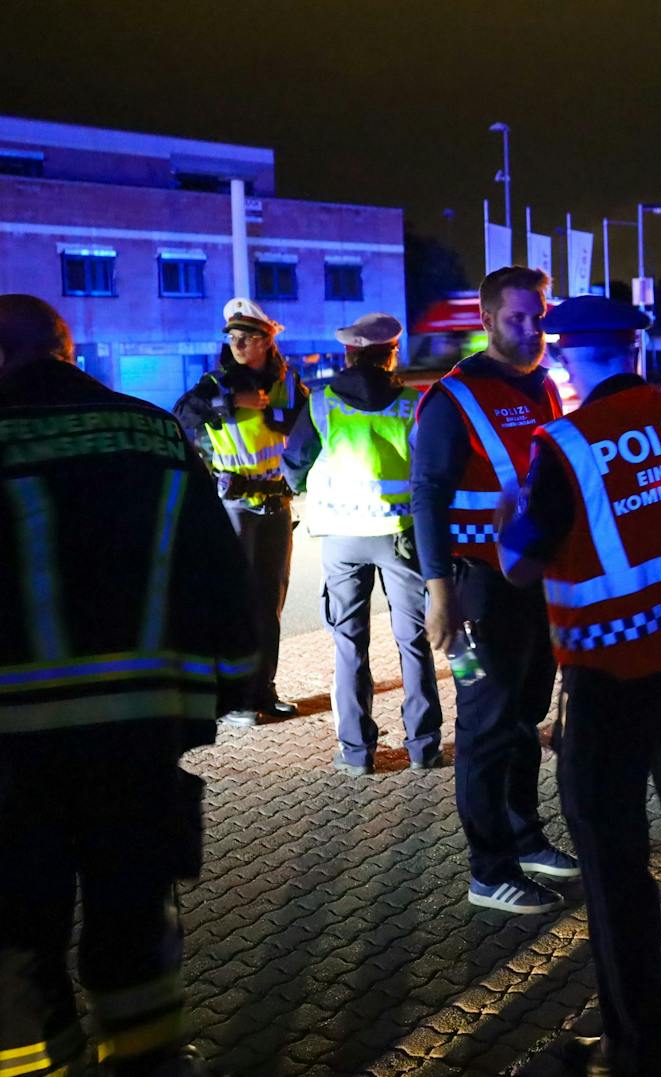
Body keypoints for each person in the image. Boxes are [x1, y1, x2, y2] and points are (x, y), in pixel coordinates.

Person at [0, 294, 258, 1077]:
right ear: (66, 347)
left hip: (9, 746)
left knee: (15, 933)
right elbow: (217, 568)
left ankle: (38, 1064)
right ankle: (150, 1063)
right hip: (139, 727)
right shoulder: (152, 431)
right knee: (133, 910)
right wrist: (231, 686)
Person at [498, 295, 661, 1077]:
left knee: (615, 863)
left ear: (569, 356)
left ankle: (639, 1046)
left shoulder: (568, 443)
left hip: (611, 673)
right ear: (633, 350)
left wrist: (513, 512)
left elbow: (522, 561)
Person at [410, 266, 579, 914]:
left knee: (523, 717)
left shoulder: (543, 385)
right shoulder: (456, 398)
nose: (533, 327)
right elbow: (428, 497)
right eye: (517, 317)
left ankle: (523, 835)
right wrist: (439, 591)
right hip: (477, 589)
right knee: (485, 726)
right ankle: (489, 869)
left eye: (539, 314)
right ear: (485, 320)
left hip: (530, 584)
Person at [282, 312, 444, 775]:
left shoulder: (321, 403)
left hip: (340, 538)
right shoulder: (414, 403)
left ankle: (357, 753)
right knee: (413, 641)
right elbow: (431, 470)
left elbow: (295, 460)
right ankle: (423, 748)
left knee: (349, 643)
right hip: (399, 537)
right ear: (391, 353)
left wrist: (301, 490)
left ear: (350, 354)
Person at [173, 297, 308, 727]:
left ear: (267, 341)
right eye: (232, 336)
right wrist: (231, 404)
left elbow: (309, 433)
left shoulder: (290, 383)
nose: (238, 343)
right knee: (236, 603)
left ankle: (263, 691)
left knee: (270, 604)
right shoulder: (215, 384)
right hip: (235, 505)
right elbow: (181, 415)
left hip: (277, 503)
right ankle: (234, 700)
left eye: (247, 337)